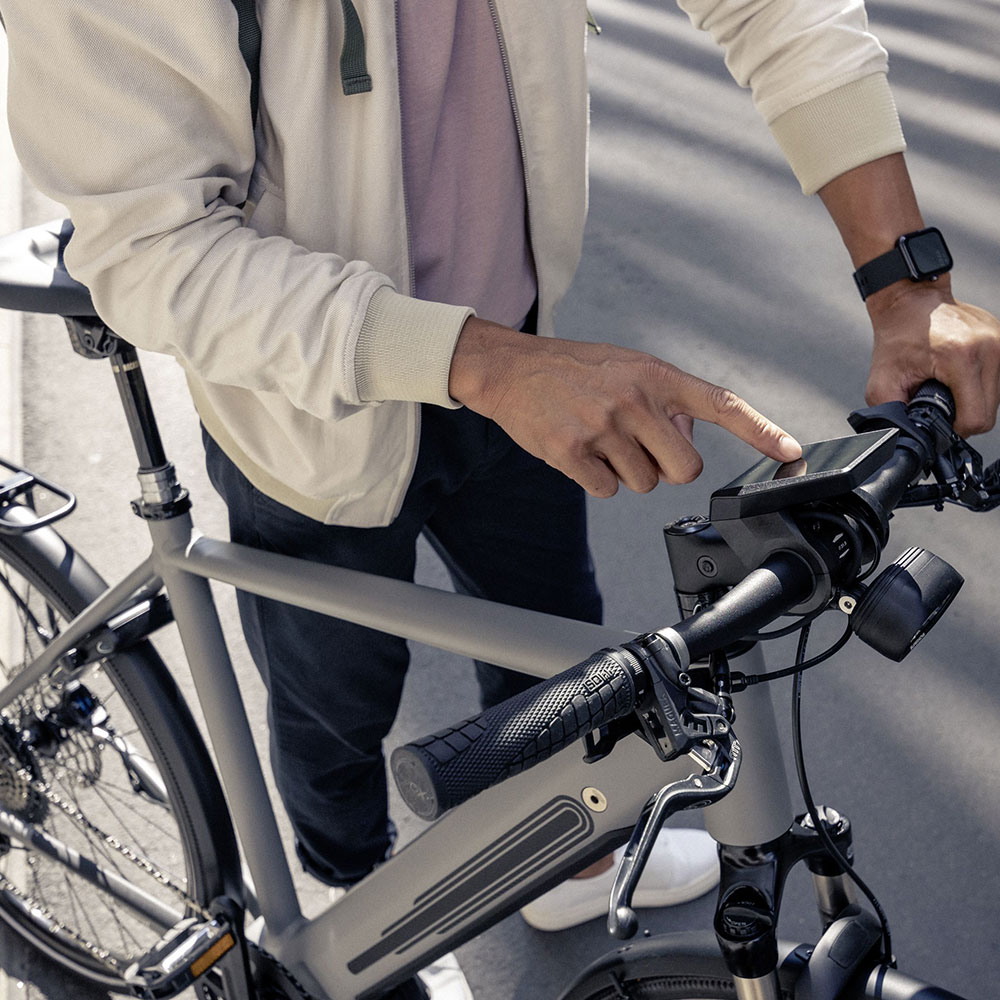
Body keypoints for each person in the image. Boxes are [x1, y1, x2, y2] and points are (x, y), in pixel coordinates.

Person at [4, 2, 999, 999]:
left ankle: (569, 862)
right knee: (334, 703)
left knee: (549, 628)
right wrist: (482, 364)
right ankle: (356, 903)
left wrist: (900, 276)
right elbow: (151, 245)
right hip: (307, 401)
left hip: (528, 350)